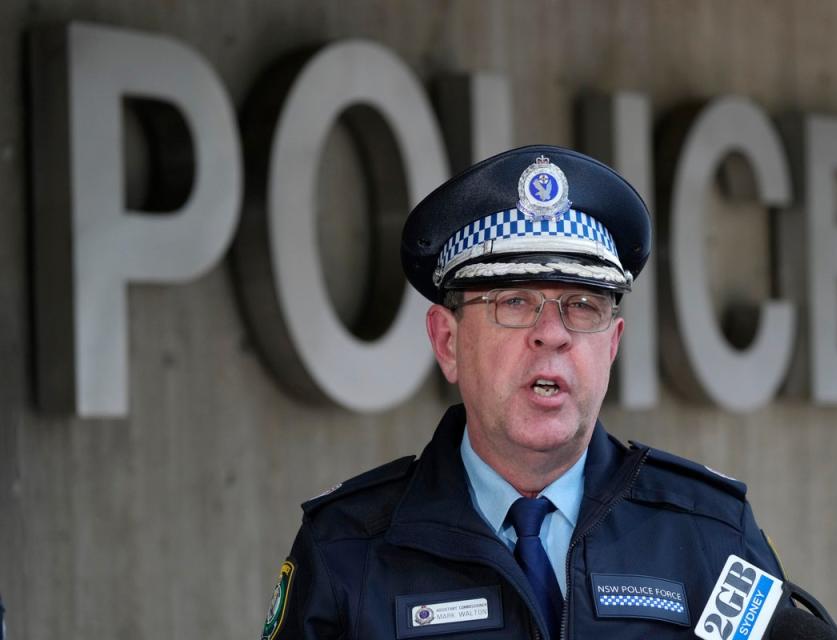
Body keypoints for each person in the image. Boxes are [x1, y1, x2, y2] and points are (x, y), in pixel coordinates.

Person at [261, 145, 784, 640]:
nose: (552, 333)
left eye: (582, 305)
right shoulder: (346, 549)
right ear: (448, 341)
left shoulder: (711, 534)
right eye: (513, 302)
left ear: (612, 346)